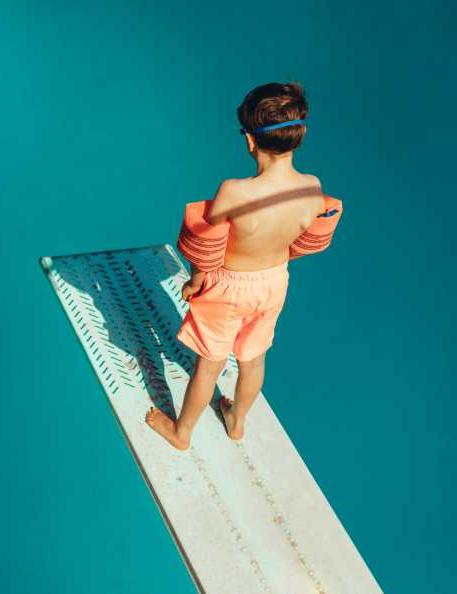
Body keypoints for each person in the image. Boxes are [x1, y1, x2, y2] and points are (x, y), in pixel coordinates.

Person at [145, 81, 343, 450]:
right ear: (297, 137)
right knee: (253, 359)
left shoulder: (234, 192)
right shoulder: (312, 189)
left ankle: (181, 432)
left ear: (250, 141)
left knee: (209, 364)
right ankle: (236, 422)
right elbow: (303, 238)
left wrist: (196, 281)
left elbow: (207, 243)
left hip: (229, 286)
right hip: (274, 283)